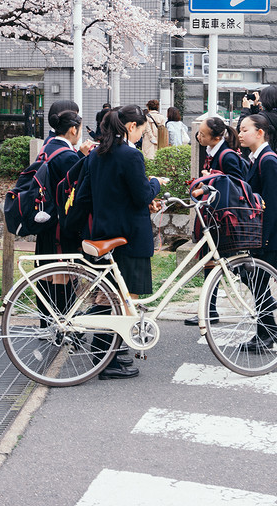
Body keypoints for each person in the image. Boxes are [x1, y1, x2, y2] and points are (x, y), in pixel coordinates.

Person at [88, 105, 168, 379]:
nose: (143, 135)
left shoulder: (98, 153)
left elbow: (105, 193)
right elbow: (141, 195)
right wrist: (156, 183)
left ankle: (107, 356)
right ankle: (108, 361)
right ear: (132, 127)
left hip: (104, 232)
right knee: (124, 300)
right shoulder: (131, 156)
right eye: (144, 129)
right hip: (129, 236)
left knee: (108, 297)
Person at [34, 104, 95, 328]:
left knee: (45, 273)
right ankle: (62, 325)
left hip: (44, 220)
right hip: (60, 224)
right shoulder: (68, 155)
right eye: (79, 129)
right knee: (63, 274)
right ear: (72, 130)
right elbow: (73, 189)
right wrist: (82, 157)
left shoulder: (47, 146)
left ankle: (46, 323)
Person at [186, 115, 247, 327]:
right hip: (212, 214)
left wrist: (210, 178)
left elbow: (237, 186)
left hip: (223, 217)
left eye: (202, 134)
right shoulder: (213, 152)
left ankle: (263, 294)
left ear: (217, 137)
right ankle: (209, 310)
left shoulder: (226, 156)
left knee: (224, 262)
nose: (198, 137)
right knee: (212, 263)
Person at [240, 113, 277, 352]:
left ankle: (266, 333)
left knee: (257, 281)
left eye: (244, 130)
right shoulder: (258, 158)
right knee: (255, 281)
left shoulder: (268, 160)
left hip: (270, 235)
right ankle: (269, 330)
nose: (240, 134)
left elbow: (271, 205)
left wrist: (264, 239)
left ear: (260, 132)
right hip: (265, 234)